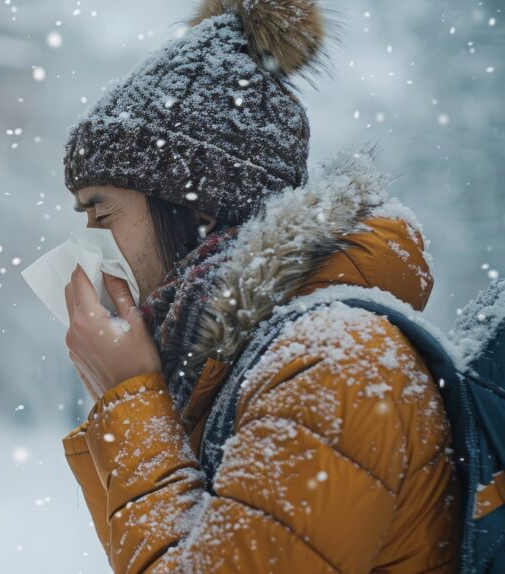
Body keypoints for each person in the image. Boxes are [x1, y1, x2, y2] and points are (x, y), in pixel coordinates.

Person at [58, 1, 462, 572]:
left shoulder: (329, 362)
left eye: (101, 214)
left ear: (195, 209)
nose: (89, 248)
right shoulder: (238, 365)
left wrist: (130, 401)